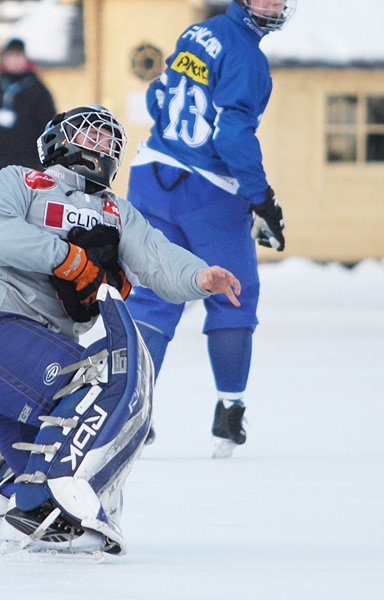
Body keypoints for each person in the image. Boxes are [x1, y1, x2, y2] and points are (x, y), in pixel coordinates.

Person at [0, 105, 241, 557]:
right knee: (97, 384)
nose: (101, 146)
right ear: (57, 140)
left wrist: (200, 276)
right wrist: (65, 257)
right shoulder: (21, 181)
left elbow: (157, 257)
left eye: (110, 142)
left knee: (48, 475)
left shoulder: (117, 212)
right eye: (90, 135)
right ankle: (38, 505)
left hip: (26, 366)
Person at [124, 0, 296, 458]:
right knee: (233, 295)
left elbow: (157, 96)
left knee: (153, 297)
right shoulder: (247, 56)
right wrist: (261, 198)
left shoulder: (197, 33)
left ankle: (133, 409)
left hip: (151, 173)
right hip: (207, 191)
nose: (273, 5)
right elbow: (231, 136)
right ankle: (230, 412)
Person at [0, 38, 56, 181]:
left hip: (29, 169)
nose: (14, 60)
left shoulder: (38, 91)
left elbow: (49, 129)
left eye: (18, 56)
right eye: (10, 56)